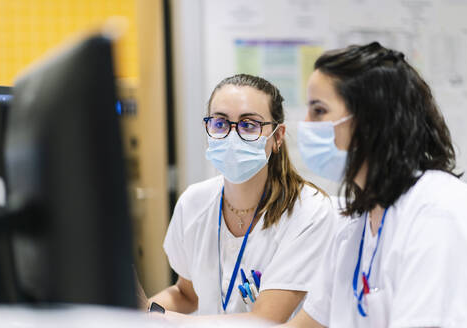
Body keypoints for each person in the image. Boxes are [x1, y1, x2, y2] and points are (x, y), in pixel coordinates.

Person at [287, 41, 467, 328]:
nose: (306, 124)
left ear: (369, 119)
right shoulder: (355, 229)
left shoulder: (439, 214)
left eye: (319, 110)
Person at [143, 74, 336, 324]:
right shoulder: (194, 202)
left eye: (249, 125)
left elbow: (264, 320)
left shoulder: (308, 211)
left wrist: (156, 316)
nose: (232, 136)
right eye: (220, 123)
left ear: (277, 137)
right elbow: (186, 294)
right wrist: (136, 312)